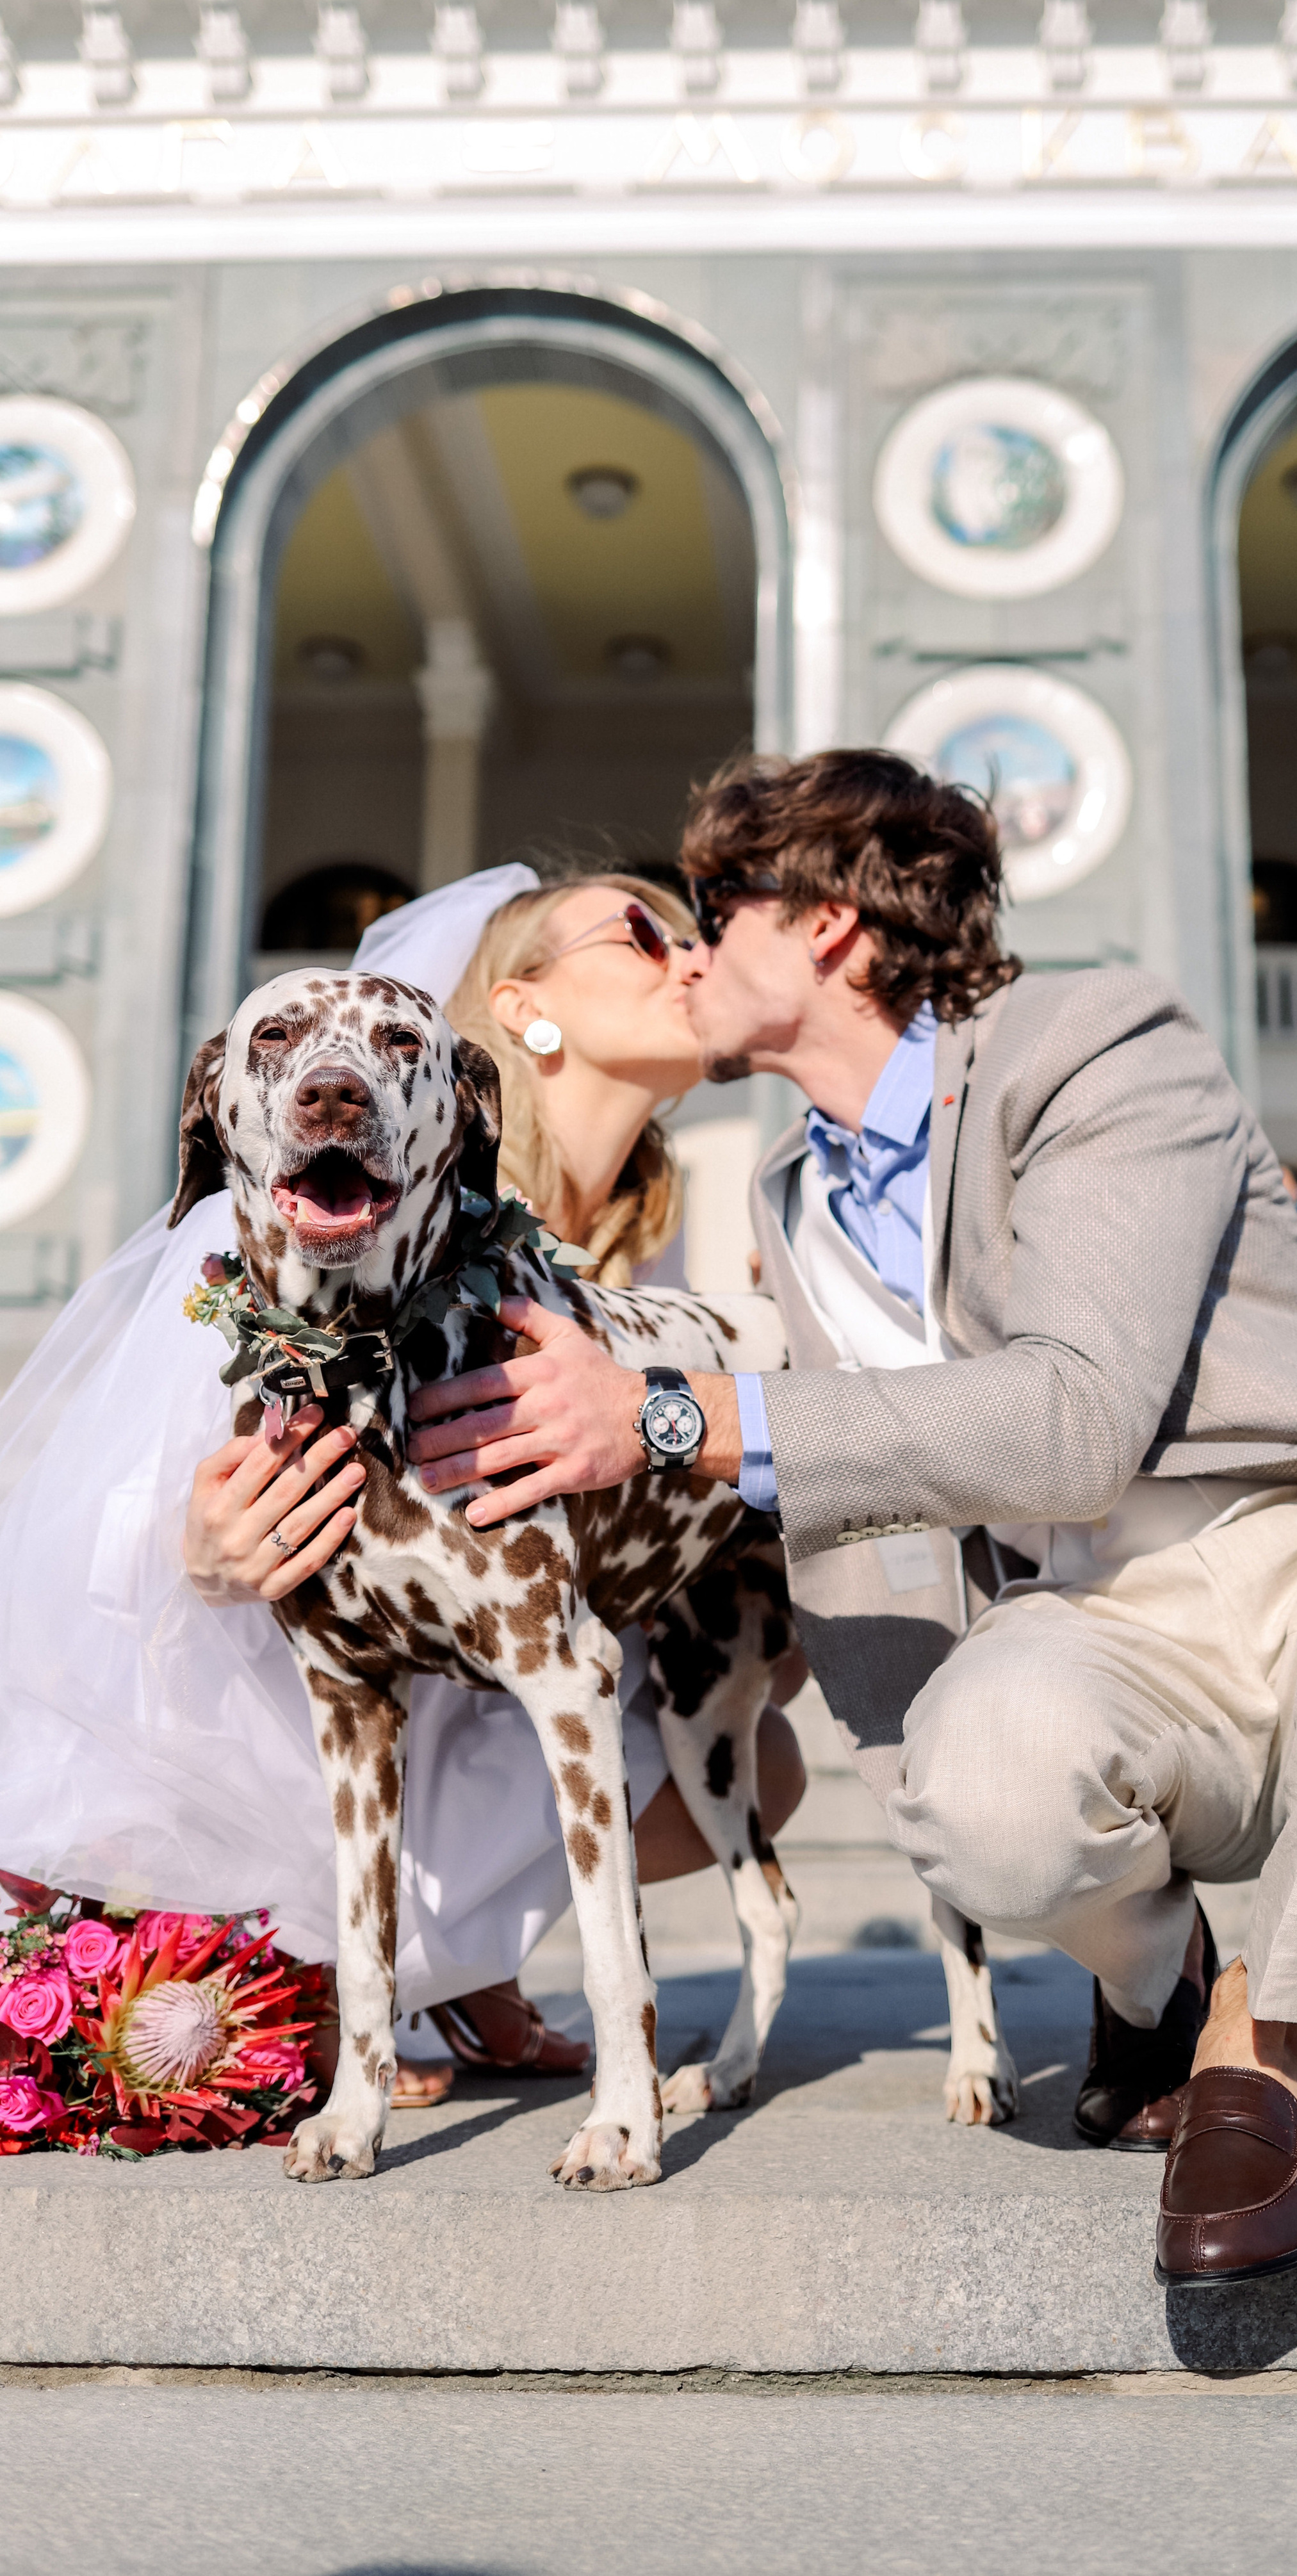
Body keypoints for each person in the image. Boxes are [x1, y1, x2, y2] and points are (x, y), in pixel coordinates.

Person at [404, 749, 1297, 2286]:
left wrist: (670, 1416)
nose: (692, 946)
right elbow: (862, 1509)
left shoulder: (1095, 1036)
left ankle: (1275, 2034)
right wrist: (932, 1783)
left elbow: (1071, 1420)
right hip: (1107, 1643)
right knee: (977, 1777)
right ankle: (1155, 1970)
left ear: (832, 927)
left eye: (716, 906)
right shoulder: (784, 1194)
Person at [0, 865, 804, 2111]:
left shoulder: (616, 1258)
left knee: (765, 1715)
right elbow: (105, 1515)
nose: (692, 958)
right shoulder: (306, 1224)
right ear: (520, 1004)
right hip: (274, 1705)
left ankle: (451, 1962)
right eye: (644, 933)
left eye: (702, 938)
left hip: (480, 1670)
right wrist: (196, 1546)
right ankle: (339, 1962)